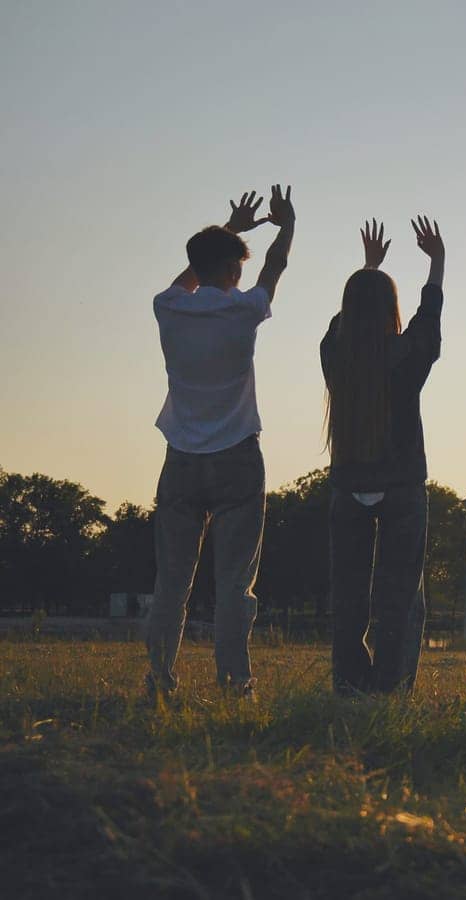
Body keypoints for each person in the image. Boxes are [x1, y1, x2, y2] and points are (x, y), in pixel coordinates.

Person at [146, 186, 295, 700]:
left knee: (173, 582)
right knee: (234, 584)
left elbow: (189, 277)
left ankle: (160, 680)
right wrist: (287, 223)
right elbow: (274, 268)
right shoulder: (244, 309)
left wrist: (231, 231)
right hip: (235, 456)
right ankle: (234, 684)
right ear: (234, 270)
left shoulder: (168, 307)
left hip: (181, 457)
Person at [321, 217, 445, 695]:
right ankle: (390, 686)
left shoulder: (335, 354)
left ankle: (350, 684)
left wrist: (368, 268)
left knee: (348, 595)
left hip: (348, 486)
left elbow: (340, 327)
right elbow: (427, 321)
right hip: (402, 487)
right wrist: (436, 263)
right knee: (399, 597)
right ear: (390, 307)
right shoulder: (407, 357)